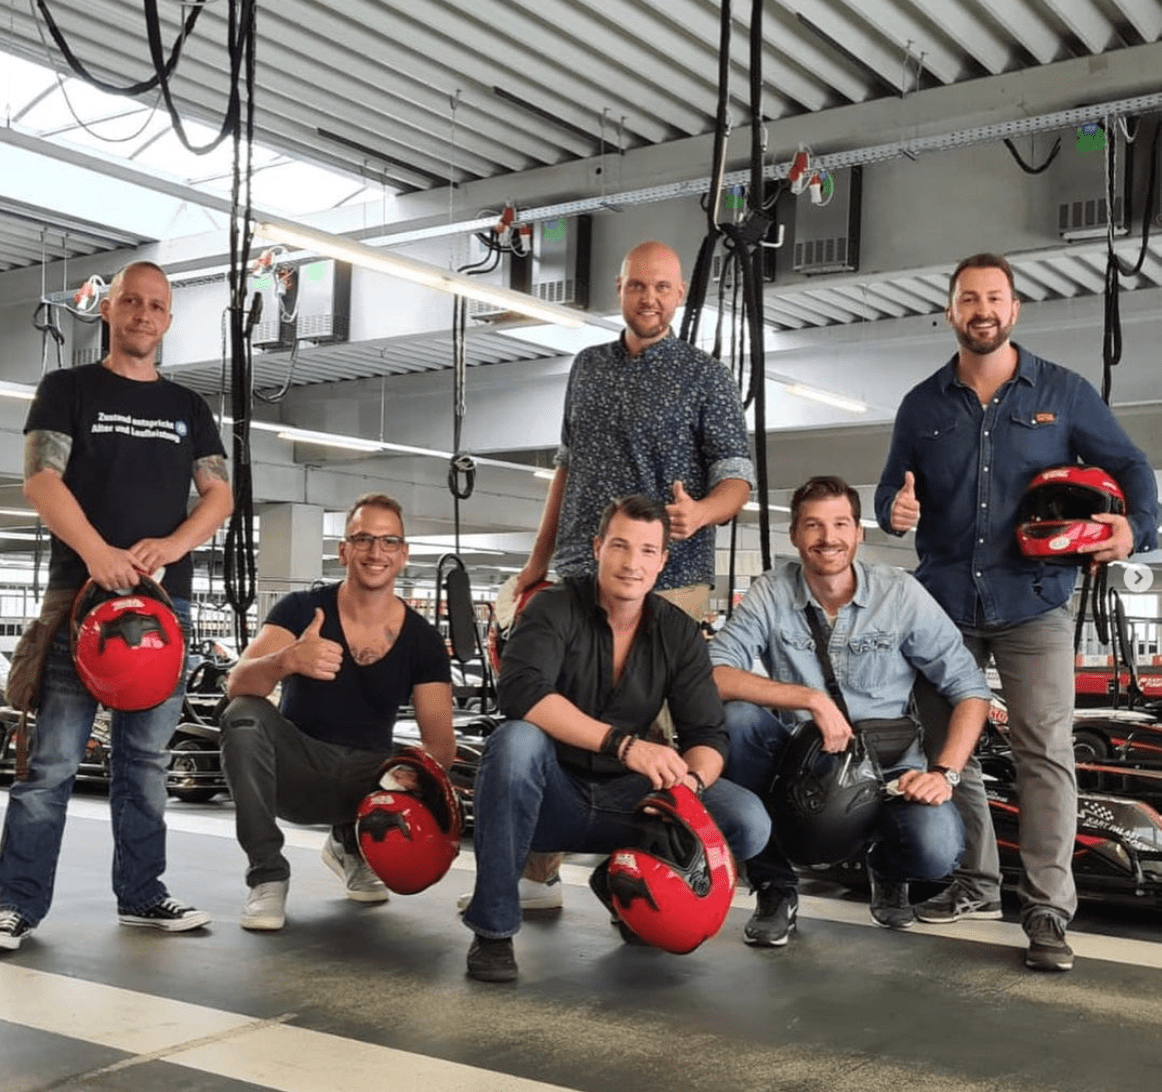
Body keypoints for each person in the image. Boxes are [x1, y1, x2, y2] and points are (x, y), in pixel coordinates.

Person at [875, 252, 1159, 973]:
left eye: (994, 298)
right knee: (953, 756)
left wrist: (1138, 527)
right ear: (950, 311)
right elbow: (888, 497)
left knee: (1045, 756)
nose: (983, 310)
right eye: (968, 298)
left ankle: (1046, 908)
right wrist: (894, 510)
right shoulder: (922, 404)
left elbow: (1130, 466)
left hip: (1035, 602)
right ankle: (975, 881)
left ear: (1014, 309)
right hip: (942, 608)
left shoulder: (1063, 394)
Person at [512, 239, 756, 905]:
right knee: (558, 719)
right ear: (618, 290)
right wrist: (536, 566)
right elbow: (565, 468)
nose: (649, 299)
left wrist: (701, 514)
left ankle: (656, 880)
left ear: (679, 296)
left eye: (662, 288)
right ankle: (538, 870)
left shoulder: (707, 375)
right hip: (577, 571)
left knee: (656, 735)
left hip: (670, 575)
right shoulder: (587, 366)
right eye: (636, 286)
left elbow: (737, 478)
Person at [0, 261, 233, 951]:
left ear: (167, 319)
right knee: (53, 762)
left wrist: (170, 544)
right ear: (108, 310)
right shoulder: (69, 388)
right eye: (130, 301)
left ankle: (143, 893)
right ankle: (15, 902)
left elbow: (218, 495)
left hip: (164, 607)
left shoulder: (189, 407)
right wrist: (100, 555)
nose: (142, 313)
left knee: (146, 762)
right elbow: (41, 480)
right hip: (83, 599)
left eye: (155, 305)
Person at [462, 495, 770, 982]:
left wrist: (685, 791)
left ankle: (622, 881)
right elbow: (522, 694)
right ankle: (494, 931)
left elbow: (707, 734)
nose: (632, 564)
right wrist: (625, 745)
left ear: (663, 561)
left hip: (632, 803)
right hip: (549, 797)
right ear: (597, 547)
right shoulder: (553, 607)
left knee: (748, 820)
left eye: (648, 551)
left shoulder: (677, 632)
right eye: (621, 546)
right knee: (516, 742)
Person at [709, 476, 992, 945]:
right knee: (737, 720)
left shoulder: (899, 594)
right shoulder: (771, 592)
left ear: (859, 532)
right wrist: (809, 699)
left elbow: (970, 689)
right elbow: (714, 673)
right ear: (795, 534)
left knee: (937, 851)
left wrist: (945, 773)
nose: (829, 538)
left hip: (888, 769)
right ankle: (775, 888)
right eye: (814, 526)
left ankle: (887, 865)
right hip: (801, 761)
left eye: (841, 523)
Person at [219, 493, 456, 931]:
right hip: (297, 768)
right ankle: (267, 875)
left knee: (417, 766)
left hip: (367, 781)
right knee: (243, 716)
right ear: (343, 550)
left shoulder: (422, 639)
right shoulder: (300, 611)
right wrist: (285, 661)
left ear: (403, 555)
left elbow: (441, 743)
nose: (375, 552)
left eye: (388, 542)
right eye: (363, 539)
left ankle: (351, 843)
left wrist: (410, 774)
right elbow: (238, 684)